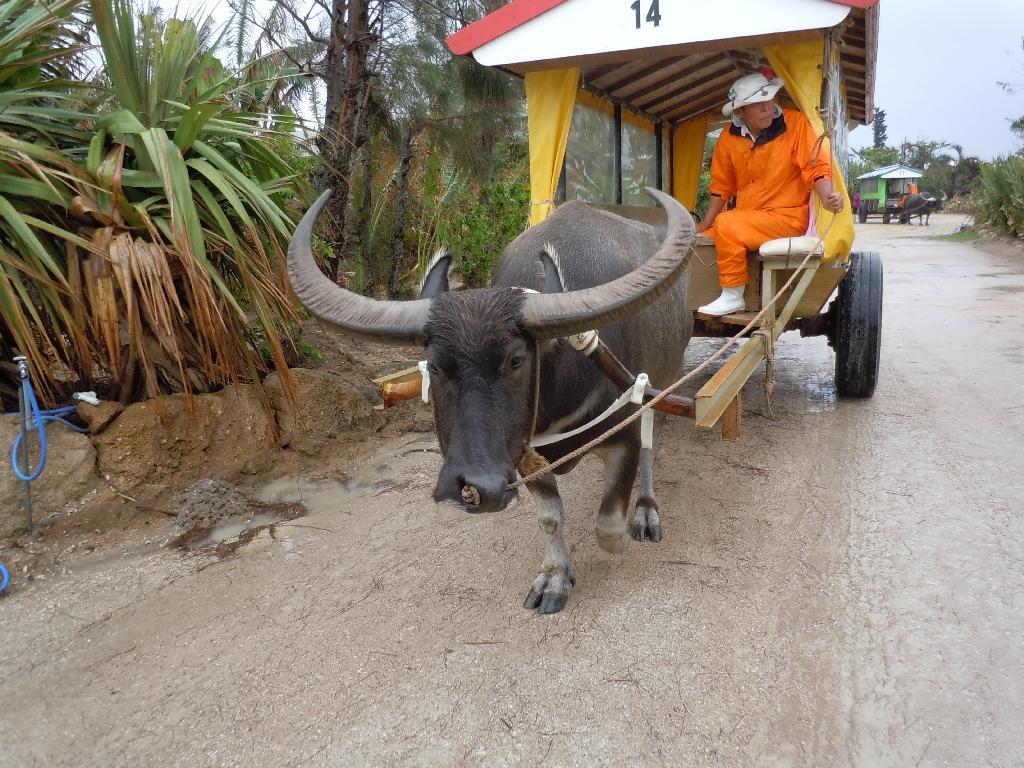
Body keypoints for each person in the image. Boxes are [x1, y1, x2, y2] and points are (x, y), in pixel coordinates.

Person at [696, 70, 845, 316]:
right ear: (739, 112)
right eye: (756, 104)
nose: (766, 107)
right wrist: (703, 224)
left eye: (769, 99)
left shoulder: (795, 123)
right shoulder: (727, 138)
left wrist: (828, 197)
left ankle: (733, 295)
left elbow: (815, 166)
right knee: (709, 233)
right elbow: (721, 188)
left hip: (787, 218)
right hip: (751, 219)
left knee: (727, 224)